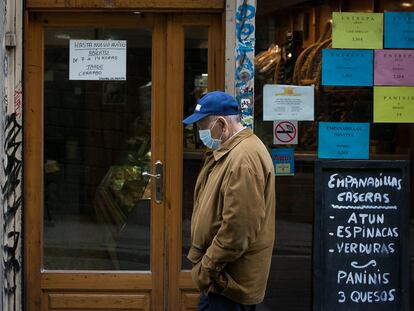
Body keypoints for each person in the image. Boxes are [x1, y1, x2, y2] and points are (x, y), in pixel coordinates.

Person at [182, 91, 276, 311]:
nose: (200, 133)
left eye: (203, 126)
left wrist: (208, 267)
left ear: (222, 123)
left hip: (230, 282)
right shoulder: (232, 152)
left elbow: (238, 229)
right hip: (223, 280)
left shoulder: (243, 159)